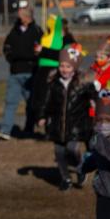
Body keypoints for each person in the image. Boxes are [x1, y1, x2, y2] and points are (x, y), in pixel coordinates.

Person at [38, 45, 96, 190]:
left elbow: (94, 96)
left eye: (68, 66)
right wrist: (42, 116)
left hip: (76, 124)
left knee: (72, 149)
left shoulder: (83, 84)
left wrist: (95, 101)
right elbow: (46, 101)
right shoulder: (54, 83)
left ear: (74, 68)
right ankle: (66, 179)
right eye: (62, 66)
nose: (64, 69)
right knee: (59, 152)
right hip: (57, 124)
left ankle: (81, 168)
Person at [0, 3, 43, 140]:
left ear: (28, 16)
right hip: (15, 72)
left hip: (31, 72)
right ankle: (5, 130)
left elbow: (40, 50)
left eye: (22, 15)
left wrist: (32, 58)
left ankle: (29, 129)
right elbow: (7, 47)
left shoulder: (37, 31)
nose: (20, 18)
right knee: (10, 102)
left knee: (31, 103)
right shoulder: (14, 31)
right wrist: (10, 57)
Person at [28, 14, 74, 134]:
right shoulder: (46, 37)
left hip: (56, 72)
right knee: (41, 98)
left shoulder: (67, 39)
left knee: (54, 99)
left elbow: (63, 55)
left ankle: (56, 127)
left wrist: (43, 51)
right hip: (43, 71)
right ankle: (42, 121)